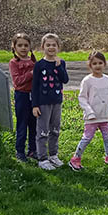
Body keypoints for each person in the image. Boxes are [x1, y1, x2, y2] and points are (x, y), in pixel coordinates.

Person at [69, 51, 108, 171]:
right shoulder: (87, 81)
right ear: (90, 65)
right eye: (94, 63)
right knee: (87, 138)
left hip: (105, 116)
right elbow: (82, 98)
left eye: (100, 63)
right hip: (91, 118)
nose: (98, 66)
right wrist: (89, 112)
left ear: (104, 64)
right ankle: (75, 158)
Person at [31, 33, 69, 170]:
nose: (51, 47)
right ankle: (42, 158)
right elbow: (35, 86)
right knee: (43, 131)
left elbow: (65, 80)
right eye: (48, 45)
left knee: (55, 129)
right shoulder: (39, 65)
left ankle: (53, 155)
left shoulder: (61, 63)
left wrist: (59, 67)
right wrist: (35, 105)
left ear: (58, 47)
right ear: (43, 47)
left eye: (54, 45)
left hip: (57, 102)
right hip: (43, 103)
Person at [8, 33, 37, 162]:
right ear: (14, 47)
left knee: (34, 124)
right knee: (22, 123)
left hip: (34, 96)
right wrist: (31, 73)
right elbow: (17, 81)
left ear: (30, 47)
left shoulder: (33, 62)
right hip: (22, 96)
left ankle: (33, 150)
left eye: (26, 45)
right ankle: (20, 151)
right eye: (20, 45)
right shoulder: (14, 63)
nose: (23, 48)